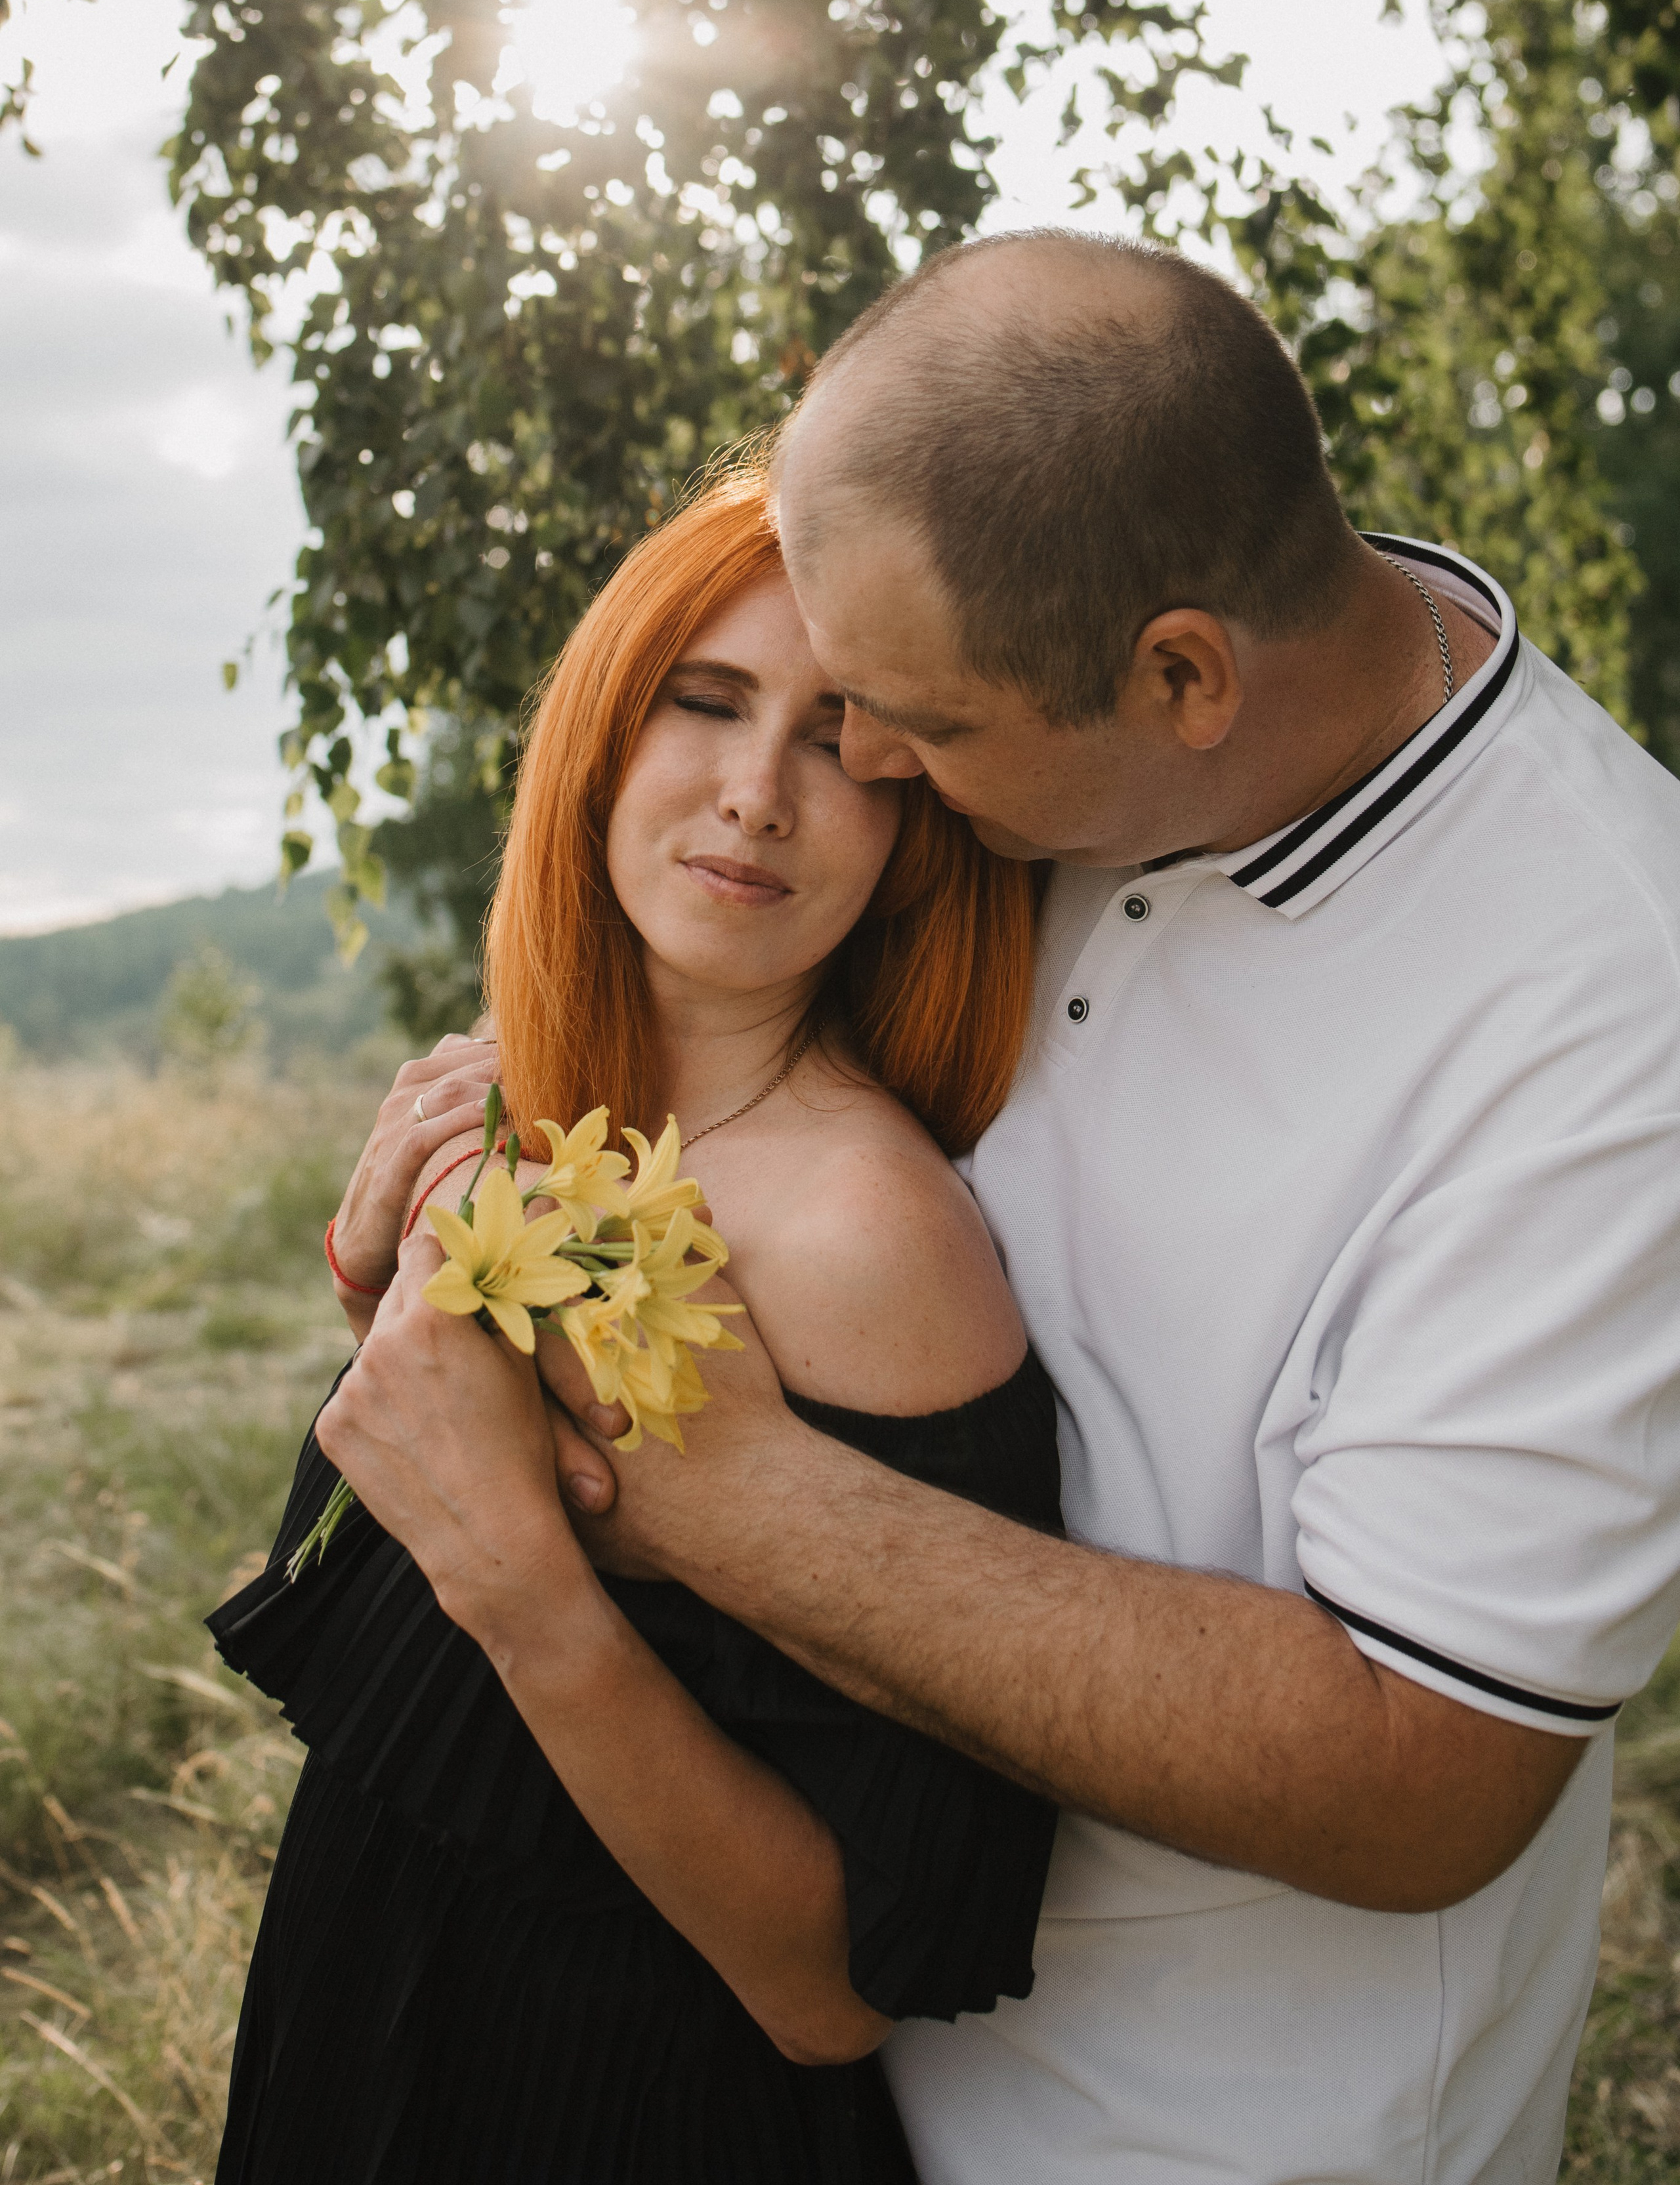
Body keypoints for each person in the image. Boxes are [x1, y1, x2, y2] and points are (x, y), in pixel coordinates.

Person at [325, 228, 1680, 2185]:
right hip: (799, 2066)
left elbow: (1423, 1777)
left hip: (1209, 2130)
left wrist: (728, 1496)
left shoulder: (1606, 1003)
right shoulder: (1056, 709)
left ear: (1183, 674)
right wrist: (514, 1131)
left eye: (912, 724)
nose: (854, 767)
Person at [207, 464, 1064, 2185]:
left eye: (836, 737)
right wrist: (391, 1318)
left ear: (910, 824)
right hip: (369, 2019)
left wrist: (528, 1586)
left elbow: (832, 1989)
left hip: (607, 2106)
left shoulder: (865, 1241)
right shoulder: (540, 1111)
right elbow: (409, 1620)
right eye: (710, 699)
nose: (757, 796)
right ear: (606, 723)